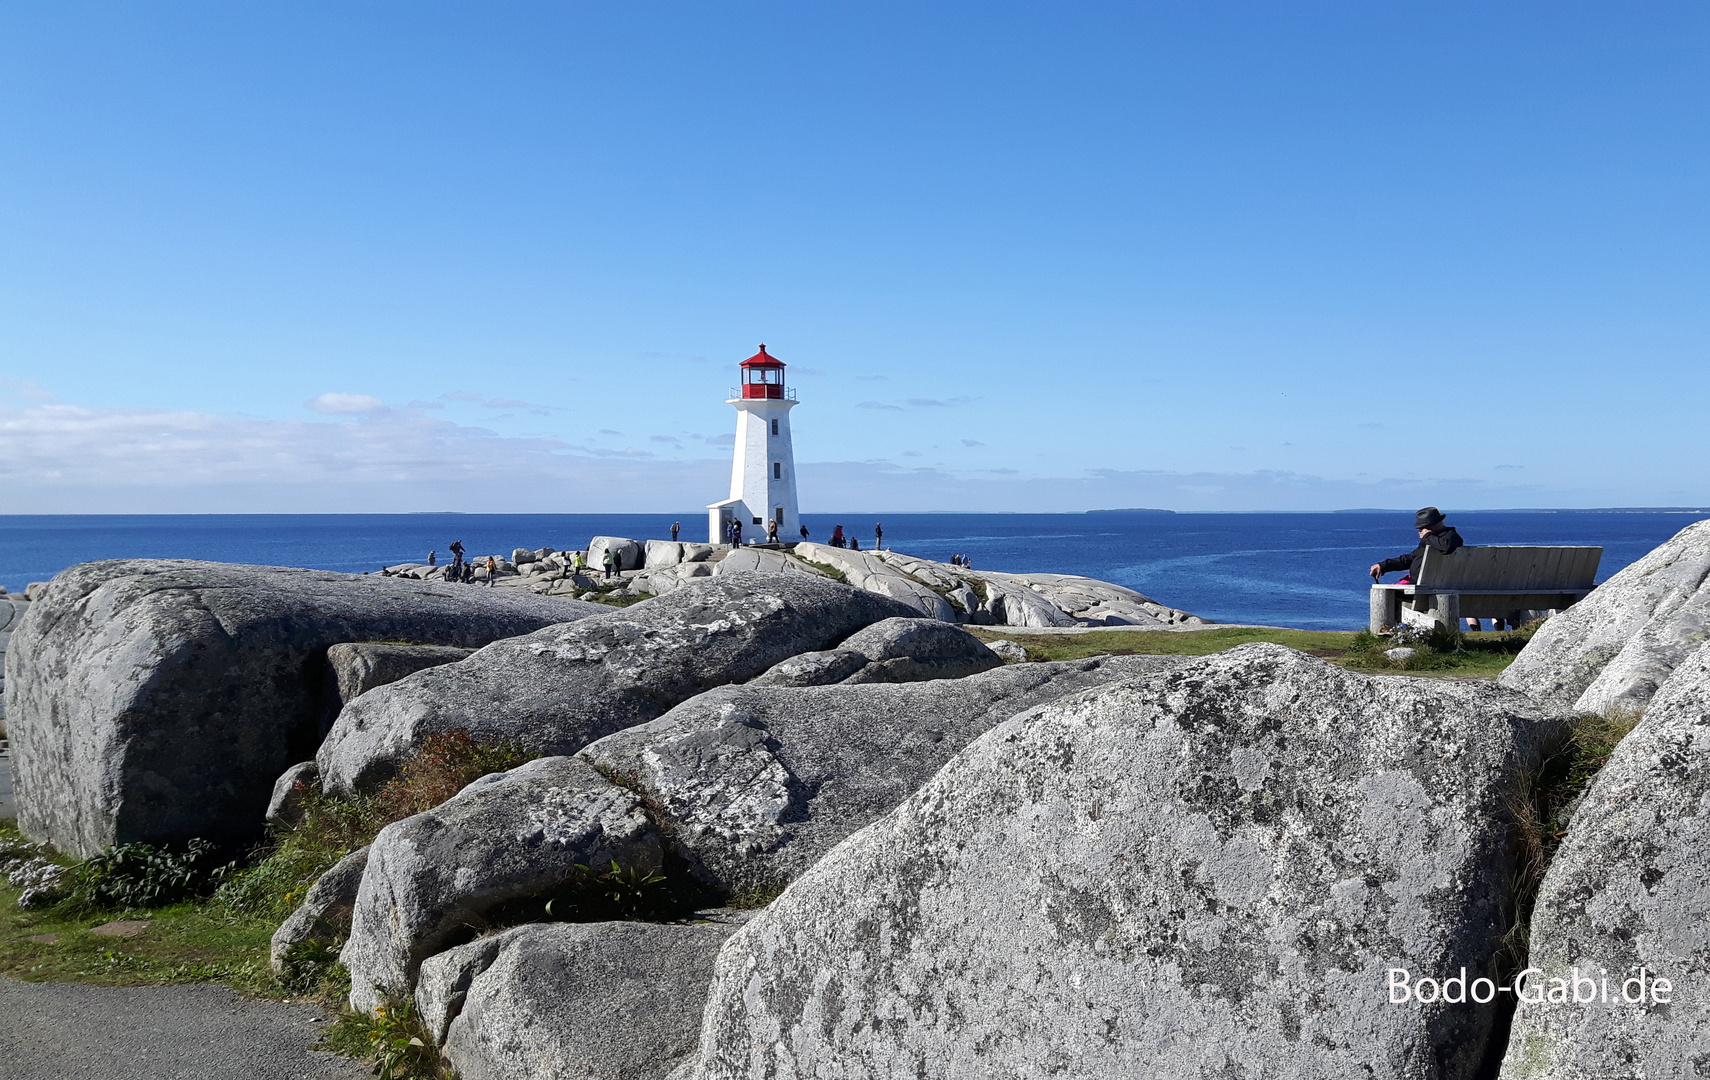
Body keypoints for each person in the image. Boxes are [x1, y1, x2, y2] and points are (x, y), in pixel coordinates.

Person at [1370, 506, 1464, 586]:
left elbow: (1447, 548)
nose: (1420, 531)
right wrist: (1384, 565)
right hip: (1425, 586)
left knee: (1386, 594)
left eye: (1422, 527)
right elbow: (1412, 558)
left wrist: (1427, 536)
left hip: (1427, 588)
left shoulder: (1451, 537)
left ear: (1431, 526)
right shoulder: (1431, 539)